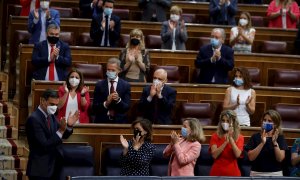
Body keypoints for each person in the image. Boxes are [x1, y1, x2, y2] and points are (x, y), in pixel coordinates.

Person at [25, 89, 79, 179]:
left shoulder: (51, 116)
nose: (54, 107)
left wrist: (69, 126)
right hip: (40, 170)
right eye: (52, 104)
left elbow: (62, 135)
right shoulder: (34, 119)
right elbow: (44, 145)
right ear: (42, 101)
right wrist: (61, 130)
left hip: (53, 167)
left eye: (56, 105)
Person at [245, 110, 288, 176]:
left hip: (275, 174)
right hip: (257, 173)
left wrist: (274, 142)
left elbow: (280, 159)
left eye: (270, 121)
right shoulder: (255, 136)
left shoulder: (280, 137)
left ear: (275, 124)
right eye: (264, 120)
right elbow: (251, 158)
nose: (266, 122)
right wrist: (262, 143)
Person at [92, 57, 131, 123]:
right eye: (108, 70)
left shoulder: (125, 85)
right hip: (102, 121)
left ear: (119, 70)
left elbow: (126, 107)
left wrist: (118, 100)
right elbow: (94, 108)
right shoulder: (99, 85)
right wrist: (106, 103)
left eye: (113, 70)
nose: (110, 72)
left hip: (119, 122)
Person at [209, 110, 244, 176]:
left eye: (228, 121)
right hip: (217, 173)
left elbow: (237, 155)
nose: (225, 123)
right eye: (223, 120)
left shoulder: (240, 137)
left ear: (233, 123)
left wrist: (230, 138)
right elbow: (214, 155)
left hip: (233, 173)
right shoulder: (215, 136)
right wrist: (225, 142)